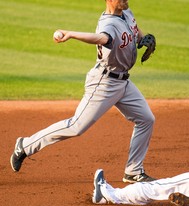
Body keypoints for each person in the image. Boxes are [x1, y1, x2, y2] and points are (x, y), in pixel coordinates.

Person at [10, 0, 156, 183]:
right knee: (76, 126)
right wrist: (71, 34)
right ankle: (25, 145)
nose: (126, 0)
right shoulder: (108, 25)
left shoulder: (127, 13)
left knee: (146, 119)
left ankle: (133, 171)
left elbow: (134, 29)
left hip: (124, 82)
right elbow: (101, 38)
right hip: (104, 83)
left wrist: (142, 39)